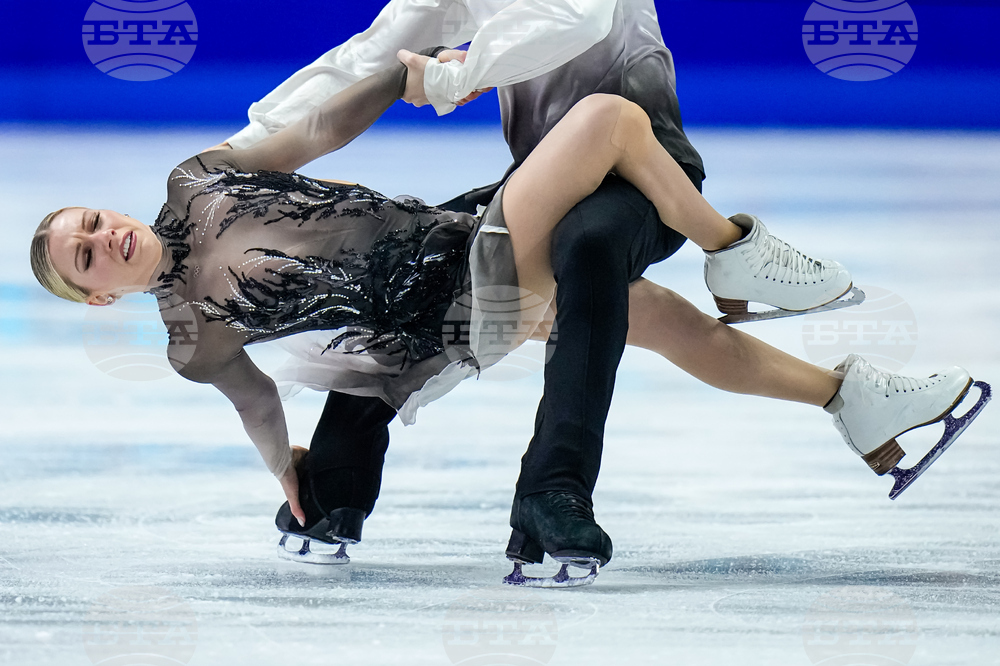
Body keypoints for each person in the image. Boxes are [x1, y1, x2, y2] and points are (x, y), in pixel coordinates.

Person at [29, 49, 986, 586]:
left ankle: (849, 401)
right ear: (98, 295)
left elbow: (311, 132)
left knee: (658, 319)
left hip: (459, 240)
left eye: (92, 223)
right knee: (608, 119)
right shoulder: (192, 337)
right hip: (455, 299)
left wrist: (394, 81)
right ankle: (735, 248)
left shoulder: (195, 180)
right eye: (86, 256)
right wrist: (290, 473)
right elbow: (254, 403)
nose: (105, 238)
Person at [218, 0, 861, 578]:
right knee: (424, 270)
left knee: (590, 248)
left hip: (647, 174)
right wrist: (234, 158)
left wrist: (455, 74)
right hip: (543, 178)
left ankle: (555, 489)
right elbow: (365, 57)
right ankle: (337, 480)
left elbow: (574, 17)